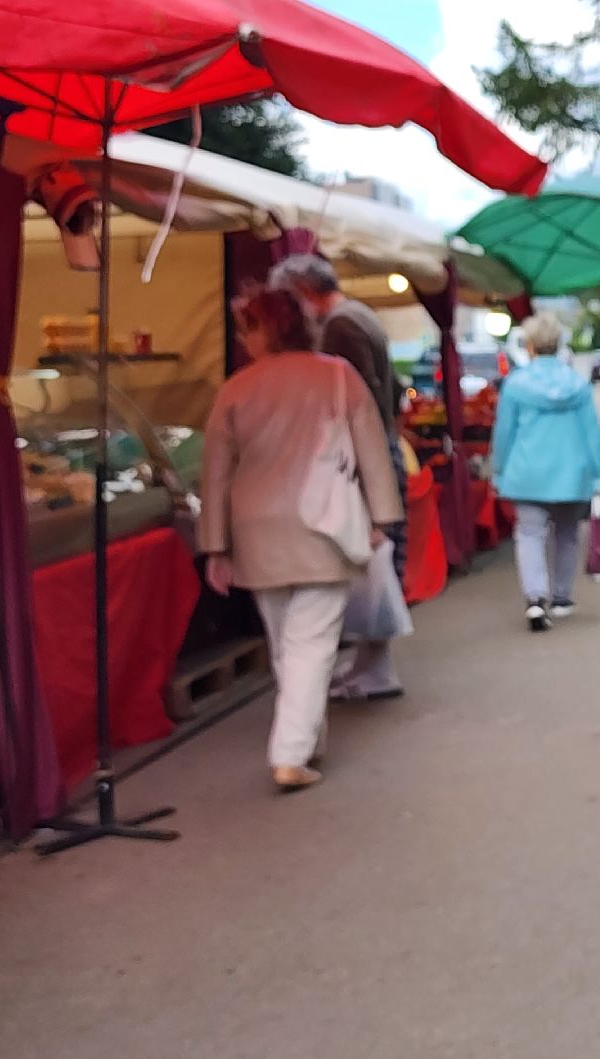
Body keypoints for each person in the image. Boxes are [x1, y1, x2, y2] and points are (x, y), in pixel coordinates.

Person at [199, 287, 402, 791]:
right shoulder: (339, 375)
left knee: (285, 643)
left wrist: (215, 546)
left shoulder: (235, 388)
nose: (244, 340)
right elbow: (372, 452)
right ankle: (291, 753)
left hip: (255, 529)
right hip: (324, 525)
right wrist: (382, 517)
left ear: (264, 330)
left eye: (247, 328)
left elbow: (216, 475)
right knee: (311, 643)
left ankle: (306, 743)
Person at [270, 253, 407, 702]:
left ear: (303, 291)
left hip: (362, 456)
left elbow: (353, 398)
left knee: (363, 560)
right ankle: (370, 663)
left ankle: (374, 666)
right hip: (377, 450)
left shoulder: (340, 326)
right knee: (372, 560)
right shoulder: (360, 314)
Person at [491, 312, 600, 631]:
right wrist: (598, 475)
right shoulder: (578, 385)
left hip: (527, 472)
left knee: (529, 534)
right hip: (572, 473)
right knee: (567, 534)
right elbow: (591, 433)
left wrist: (498, 471)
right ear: (558, 345)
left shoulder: (515, 385)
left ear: (529, 346)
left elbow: (504, 433)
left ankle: (535, 599)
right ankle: (562, 597)